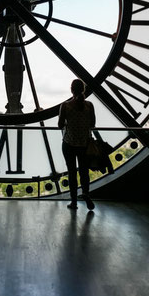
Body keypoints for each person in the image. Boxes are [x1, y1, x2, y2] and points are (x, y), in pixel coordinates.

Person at [58, 79, 95, 210]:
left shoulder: (65, 106)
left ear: (71, 89)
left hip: (69, 143)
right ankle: (86, 192)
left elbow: (60, 125)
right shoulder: (89, 105)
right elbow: (92, 124)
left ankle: (73, 202)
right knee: (84, 171)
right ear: (83, 90)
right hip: (84, 143)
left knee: (72, 173)